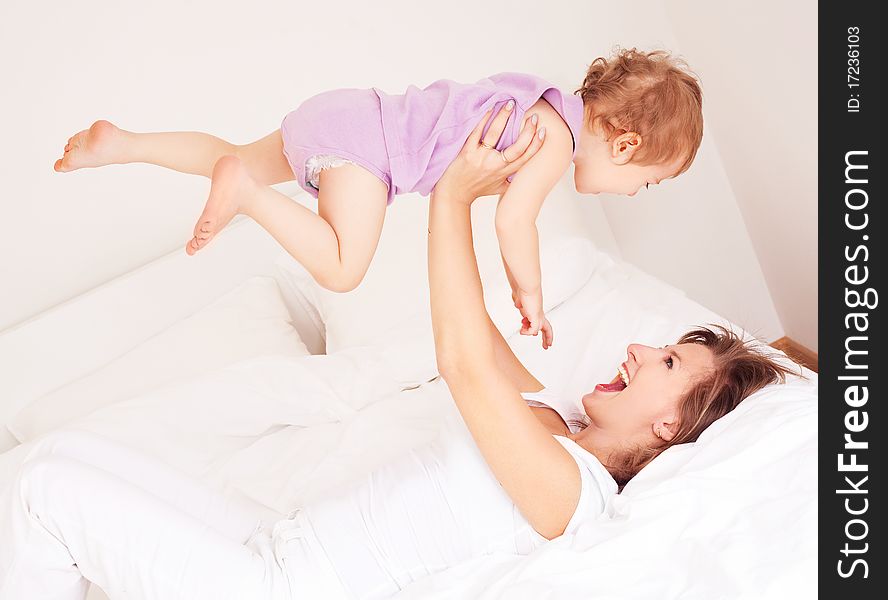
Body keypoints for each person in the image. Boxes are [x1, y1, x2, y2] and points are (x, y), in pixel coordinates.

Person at [2, 105, 783, 600]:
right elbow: (473, 327)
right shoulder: (552, 417)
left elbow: (462, 363)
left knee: (41, 485)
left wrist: (447, 196)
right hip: (272, 537)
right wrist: (476, 196)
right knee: (62, 449)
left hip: (282, 587)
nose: (643, 349)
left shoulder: (576, 494)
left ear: (669, 430)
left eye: (671, 365)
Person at [52, 48, 704, 346]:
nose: (636, 192)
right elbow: (513, 222)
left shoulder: (538, 93)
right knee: (341, 267)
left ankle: (124, 144)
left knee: (229, 150)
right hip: (366, 154)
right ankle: (247, 194)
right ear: (622, 145)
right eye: (645, 180)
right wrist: (528, 294)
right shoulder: (555, 140)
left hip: (346, 113)